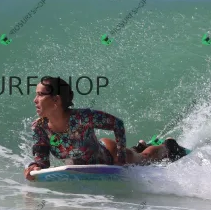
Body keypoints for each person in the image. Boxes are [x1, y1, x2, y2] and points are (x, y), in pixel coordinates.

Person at [24, 77, 188, 181]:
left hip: (109, 155)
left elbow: (117, 124)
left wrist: (121, 157)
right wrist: (35, 168)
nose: (35, 100)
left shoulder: (82, 118)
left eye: (40, 95)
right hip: (88, 164)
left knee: (144, 159)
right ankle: (139, 146)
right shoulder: (39, 127)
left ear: (56, 100)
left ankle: (168, 146)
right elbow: (42, 160)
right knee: (135, 153)